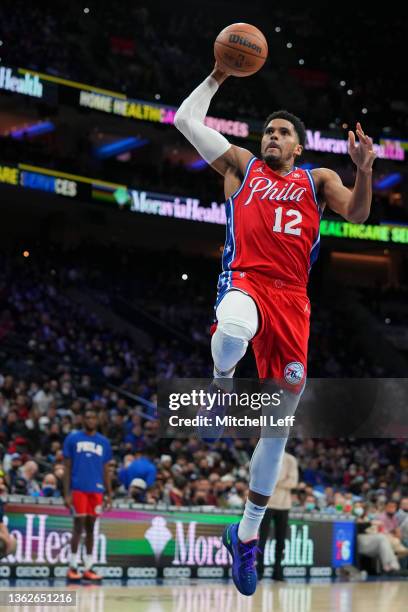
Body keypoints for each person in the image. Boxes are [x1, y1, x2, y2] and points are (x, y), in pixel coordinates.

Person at [174, 62, 376, 597]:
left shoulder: (319, 180)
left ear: (299, 148)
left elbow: (357, 216)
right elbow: (185, 121)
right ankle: (221, 387)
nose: (273, 136)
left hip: (293, 303)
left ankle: (243, 536)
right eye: (268, 130)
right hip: (246, 282)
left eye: (283, 132)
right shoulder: (241, 167)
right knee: (233, 325)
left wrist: (366, 169)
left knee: (278, 427)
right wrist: (217, 75)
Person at [63, 407, 112, 581]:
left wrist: (109, 493)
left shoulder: (104, 442)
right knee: (78, 527)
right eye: (88, 417)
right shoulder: (73, 438)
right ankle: (73, 566)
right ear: (83, 420)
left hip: (96, 490)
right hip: (78, 488)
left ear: (97, 421)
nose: (91, 420)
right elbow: (67, 467)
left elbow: (106, 470)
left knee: (91, 529)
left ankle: (89, 567)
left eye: (93, 417)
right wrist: (66, 492)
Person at [257, 452, 298, 581]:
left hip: (284, 505)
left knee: (281, 541)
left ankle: (278, 572)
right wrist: (282, 479)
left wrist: (273, 481)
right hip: (265, 503)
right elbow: (259, 478)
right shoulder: (264, 456)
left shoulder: (290, 459)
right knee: (261, 539)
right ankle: (259, 570)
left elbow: (293, 482)